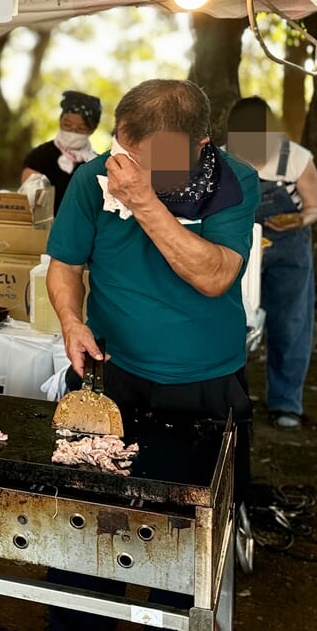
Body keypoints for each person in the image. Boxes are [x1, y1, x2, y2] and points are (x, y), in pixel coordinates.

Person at [44, 80, 258, 631]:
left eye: (147, 162)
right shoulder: (95, 179)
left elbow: (214, 276)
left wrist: (142, 202)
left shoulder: (234, 182)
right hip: (109, 379)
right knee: (85, 527)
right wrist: (71, 321)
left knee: (179, 544)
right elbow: (65, 264)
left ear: (200, 145)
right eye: (125, 152)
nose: (127, 169)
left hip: (202, 387)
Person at [225, 96, 317, 431]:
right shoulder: (222, 157)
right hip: (238, 242)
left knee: (291, 321)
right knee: (232, 315)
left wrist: (299, 220)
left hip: (288, 245)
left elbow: (314, 206)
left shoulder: (295, 157)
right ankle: (228, 394)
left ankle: (285, 401)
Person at [21, 91, 104, 215]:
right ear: (60, 121)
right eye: (68, 125)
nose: (72, 132)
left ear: (92, 130)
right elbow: (28, 201)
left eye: (81, 129)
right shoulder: (39, 157)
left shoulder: (95, 164)